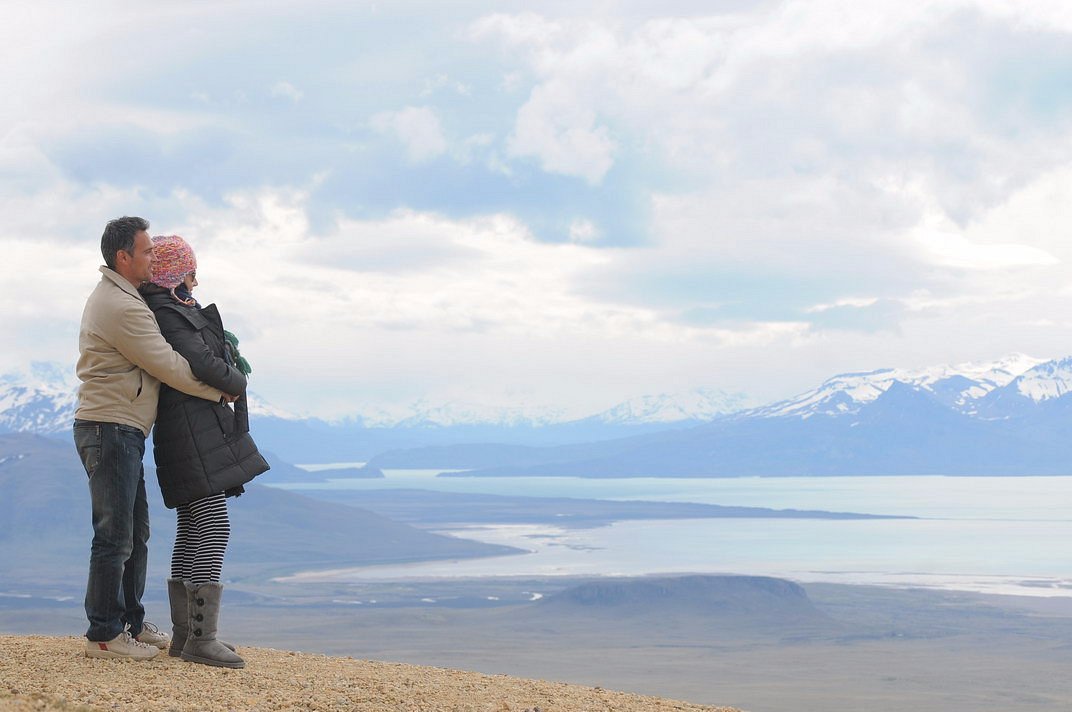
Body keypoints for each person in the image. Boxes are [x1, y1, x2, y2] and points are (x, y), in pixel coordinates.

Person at [74, 216, 233, 661]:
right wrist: (222, 388)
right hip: (110, 425)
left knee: (134, 532)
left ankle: (131, 623)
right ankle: (104, 634)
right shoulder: (122, 306)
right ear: (124, 256)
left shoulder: (128, 299)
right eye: (145, 250)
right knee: (115, 535)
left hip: (122, 426)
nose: (152, 256)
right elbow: (168, 364)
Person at [140, 235, 269, 669]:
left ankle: (185, 637)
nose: (197, 279)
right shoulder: (170, 314)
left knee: (194, 525)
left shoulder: (171, 310)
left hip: (190, 430)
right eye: (191, 270)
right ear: (176, 273)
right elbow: (200, 361)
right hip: (191, 429)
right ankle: (201, 638)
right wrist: (237, 381)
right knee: (213, 525)